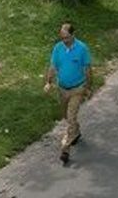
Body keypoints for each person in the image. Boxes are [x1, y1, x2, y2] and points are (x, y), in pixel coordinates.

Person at [44, 22, 93, 165]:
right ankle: (76, 132)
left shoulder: (82, 49)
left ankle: (65, 148)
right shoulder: (58, 48)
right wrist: (48, 82)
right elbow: (53, 67)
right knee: (66, 116)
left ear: (73, 35)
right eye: (62, 38)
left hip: (78, 88)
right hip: (62, 88)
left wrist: (88, 87)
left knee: (71, 117)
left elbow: (88, 70)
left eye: (66, 38)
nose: (64, 41)